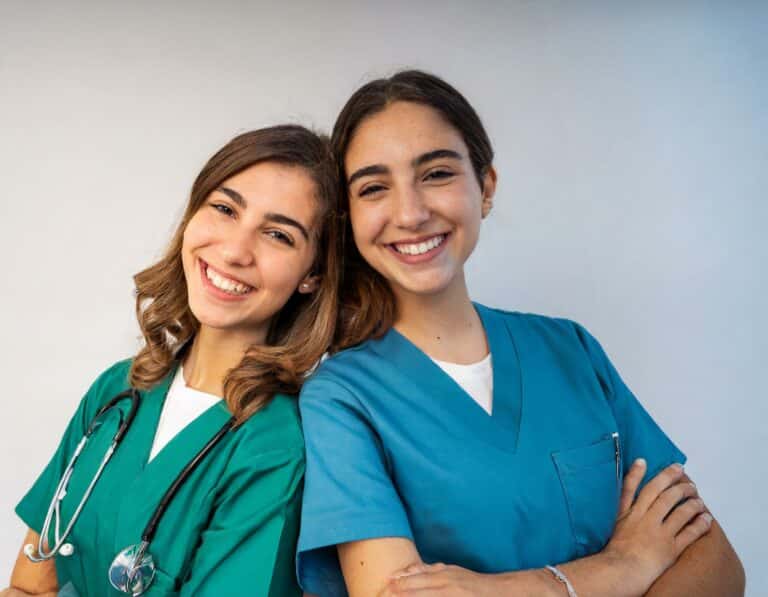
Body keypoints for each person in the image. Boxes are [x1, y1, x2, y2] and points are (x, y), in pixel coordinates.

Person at [296, 71, 745, 597]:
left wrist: (507, 588)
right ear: (348, 218)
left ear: (485, 187)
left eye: (436, 173)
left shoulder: (571, 351)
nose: (411, 213)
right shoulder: (342, 399)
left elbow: (715, 566)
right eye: (374, 188)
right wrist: (622, 566)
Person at [4, 125, 339, 597]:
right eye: (224, 209)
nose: (234, 251)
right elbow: (29, 586)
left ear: (313, 274)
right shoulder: (117, 391)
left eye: (278, 235)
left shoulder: (275, 447)